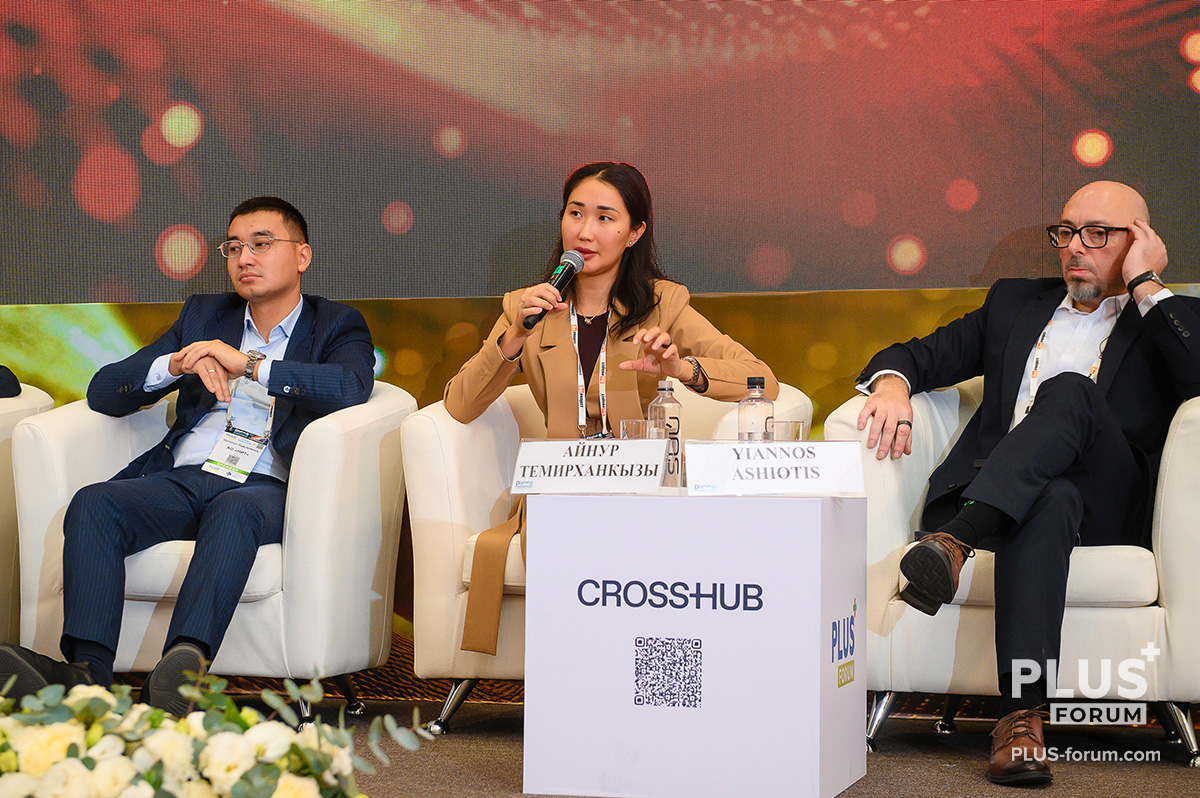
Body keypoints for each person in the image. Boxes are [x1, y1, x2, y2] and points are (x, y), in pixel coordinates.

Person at [855, 181, 1200, 786]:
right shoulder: (1015, 303)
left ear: (1140, 241)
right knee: (1049, 496)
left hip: (1108, 503)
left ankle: (956, 539)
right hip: (1026, 501)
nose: (1074, 247)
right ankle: (1020, 720)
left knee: (1069, 391)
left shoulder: (1162, 316)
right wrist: (890, 385)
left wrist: (1147, 285)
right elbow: (917, 354)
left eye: (1097, 234)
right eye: (1066, 232)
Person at [0, 197, 375, 715]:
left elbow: (352, 386)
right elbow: (105, 392)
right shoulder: (204, 314)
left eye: (261, 244)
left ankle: (180, 674)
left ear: (302, 256)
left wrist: (249, 365)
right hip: (186, 477)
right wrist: (174, 364)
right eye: (234, 247)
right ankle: (88, 676)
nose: (245, 257)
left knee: (234, 509)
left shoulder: (336, 323)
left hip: (264, 487)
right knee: (95, 503)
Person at [445, 161, 778, 654]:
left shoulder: (664, 304)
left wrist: (680, 368)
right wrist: (514, 335)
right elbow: (460, 404)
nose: (585, 232)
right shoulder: (527, 307)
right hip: (560, 488)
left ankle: (640, 669)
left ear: (634, 232)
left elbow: (763, 379)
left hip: (638, 484)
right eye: (575, 213)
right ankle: (574, 668)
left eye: (605, 218)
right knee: (567, 545)